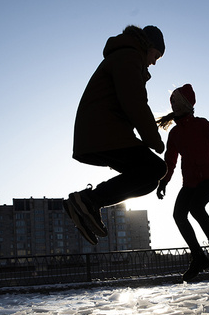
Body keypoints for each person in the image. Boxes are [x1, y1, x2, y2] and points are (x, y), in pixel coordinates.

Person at [63, 25, 167, 245]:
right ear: (148, 46)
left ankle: (88, 204)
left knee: (148, 180)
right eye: (156, 55)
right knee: (156, 168)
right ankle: (86, 200)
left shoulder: (125, 57)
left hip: (102, 131)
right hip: (103, 131)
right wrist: (154, 141)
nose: (155, 62)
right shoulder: (129, 57)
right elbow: (135, 102)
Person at [156, 84, 209, 281]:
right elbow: (170, 161)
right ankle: (199, 257)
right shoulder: (174, 134)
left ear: (186, 103)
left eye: (176, 101)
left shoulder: (201, 124)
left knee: (196, 207)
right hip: (190, 182)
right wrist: (164, 181)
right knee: (179, 214)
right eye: (171, 101)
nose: (173, 104)